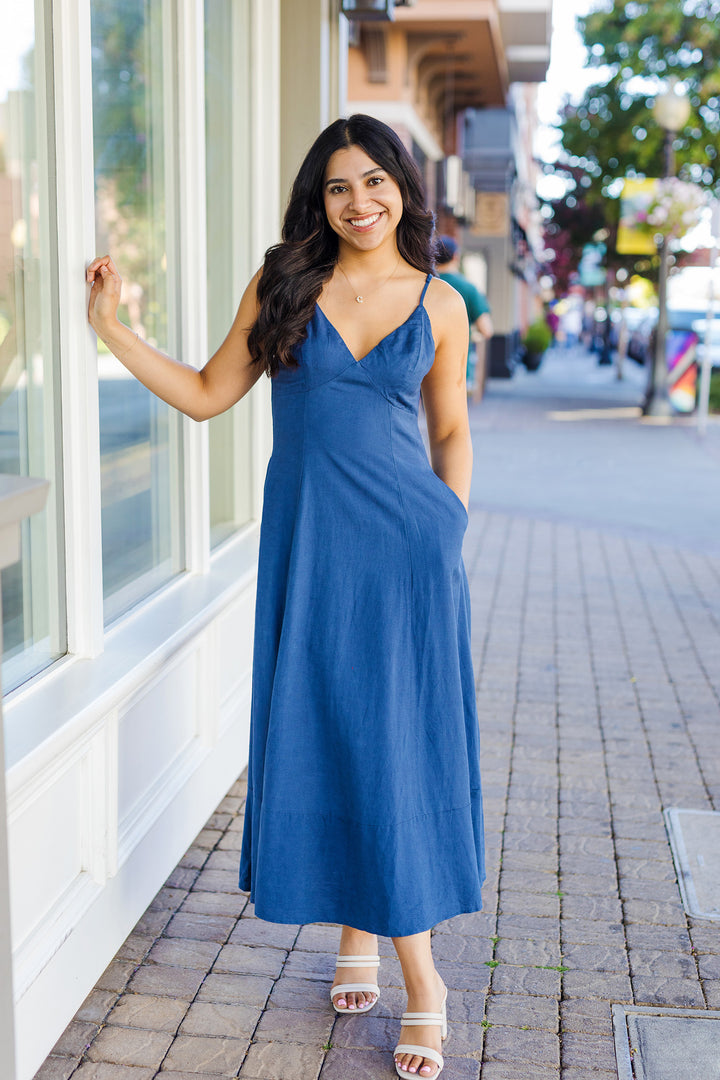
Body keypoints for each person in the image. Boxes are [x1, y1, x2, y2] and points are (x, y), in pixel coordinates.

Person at [87, 113, 484, 1080]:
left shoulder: (440, 302)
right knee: (338, 732)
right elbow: (206, 393)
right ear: (320, 197)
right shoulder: (285, 287)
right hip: (314, 555)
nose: (361, 203)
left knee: (389, 744)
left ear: (403, 187)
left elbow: (452, 431)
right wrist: (111, 330)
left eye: (377, 181)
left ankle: (422, 982)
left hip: (408, 559)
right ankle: (358, 934)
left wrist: (450, 525)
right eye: (340, 187)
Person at [434, 236, 493, 400]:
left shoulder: (422, 284)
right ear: (456, 256)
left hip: (420, 365)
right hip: (456, 365)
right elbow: (486, 330)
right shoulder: (469, 288)